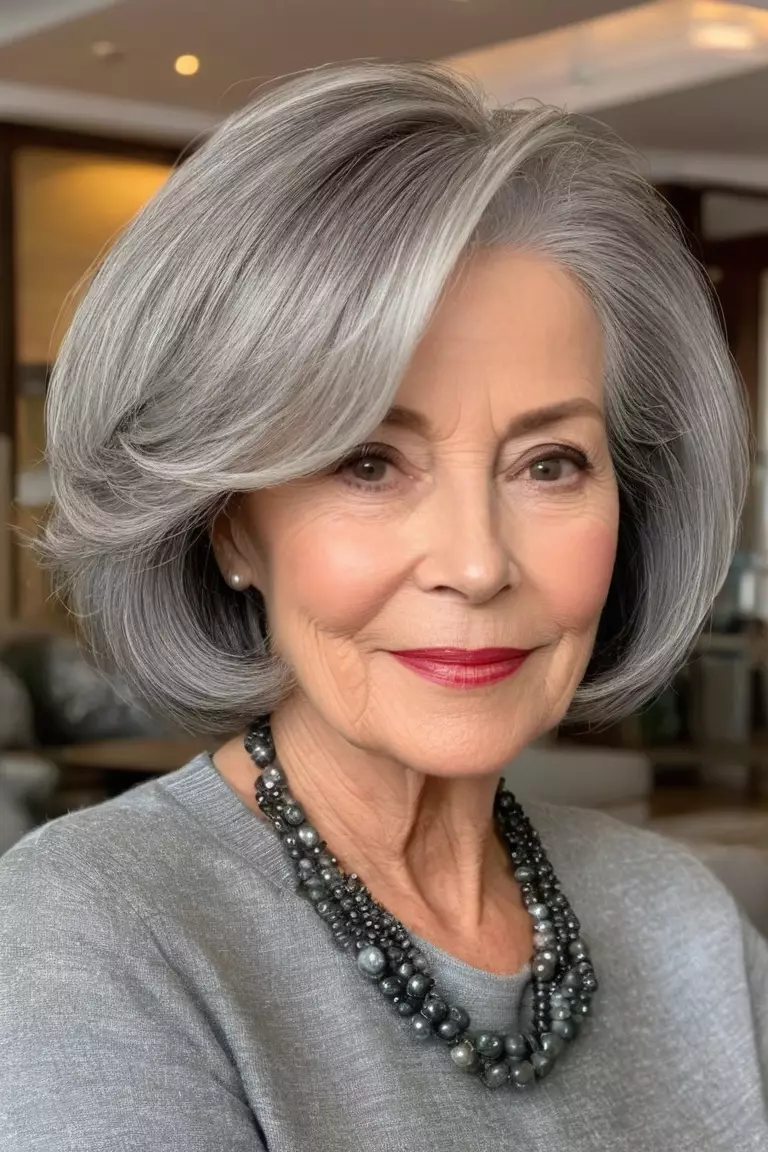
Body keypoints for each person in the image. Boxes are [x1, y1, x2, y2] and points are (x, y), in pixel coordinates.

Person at [1, 60, 765, 1151]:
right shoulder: (95, 937)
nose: (475, 562)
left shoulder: (681, 918)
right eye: (368, 462)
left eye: (550, 464)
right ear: (227, 523)